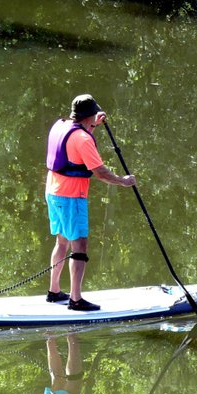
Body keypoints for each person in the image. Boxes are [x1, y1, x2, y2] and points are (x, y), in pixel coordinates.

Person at [45, 94, 136, 311]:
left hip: (53, 192)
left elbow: (75, 147)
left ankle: (54, 291)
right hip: (71, 197)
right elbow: (101, 172)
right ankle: (76, 300)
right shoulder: (84, 139)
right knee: (79, 246)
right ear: (89, 116)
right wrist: (123, 182)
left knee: (62, 241)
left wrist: (95, 123)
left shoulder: (62, 126)